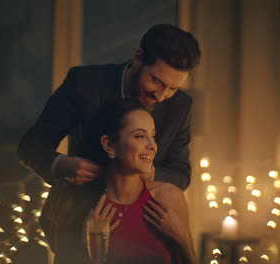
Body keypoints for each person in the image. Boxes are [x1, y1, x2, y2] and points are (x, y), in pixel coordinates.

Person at [17, 24, 200, 263]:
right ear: (138, 58)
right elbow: (31, 144)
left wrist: (149, 169)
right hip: (80, 212)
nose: (161, 95)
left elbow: (181, 173)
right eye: (156, 81)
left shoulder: (180, 106)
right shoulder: (85, 83)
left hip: (145, 215)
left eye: (173, 88)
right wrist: (61, 165)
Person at [84, 99, 196, 264]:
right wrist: (96, 252)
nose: (152, 146)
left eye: (152, 136)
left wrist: (182, 240)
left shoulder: (168, 197)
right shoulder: (87, 204)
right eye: (139, 136)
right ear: (109, 145)